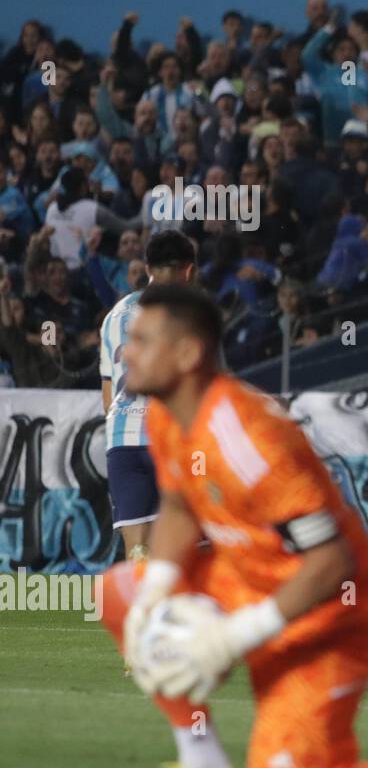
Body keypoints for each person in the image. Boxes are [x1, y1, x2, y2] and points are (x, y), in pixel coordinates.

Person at [98, 284, 368, 768]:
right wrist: (158, 588)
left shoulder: (248, 439)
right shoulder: (166, 414)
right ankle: (200, 759)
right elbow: (181, 505)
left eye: (142, 340)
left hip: (331, 617)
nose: (126, 351)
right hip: (248, 582)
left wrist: (231, 638)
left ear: (187, 353)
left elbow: (331, 561)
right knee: (124, 590)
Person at [101, 230, 197, 565]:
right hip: (168, 437)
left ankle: (140, 614)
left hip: (122, 439)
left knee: (138, 548)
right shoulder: (187, 314)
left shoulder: (114, 315)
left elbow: (108, 391)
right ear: (189, 269)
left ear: (147, 266)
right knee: (188, 542)